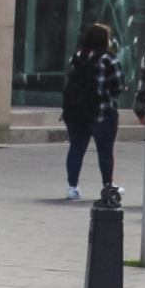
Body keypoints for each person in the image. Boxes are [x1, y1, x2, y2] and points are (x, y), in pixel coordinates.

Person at [59, 22, 122, 201]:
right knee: (105, 150)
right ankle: (107, 186)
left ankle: (72, 186)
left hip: (75, 111)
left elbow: (69, 81)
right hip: (102, 112)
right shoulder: (109, 59)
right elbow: (118, 85)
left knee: (76, 148)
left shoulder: (76, 57)